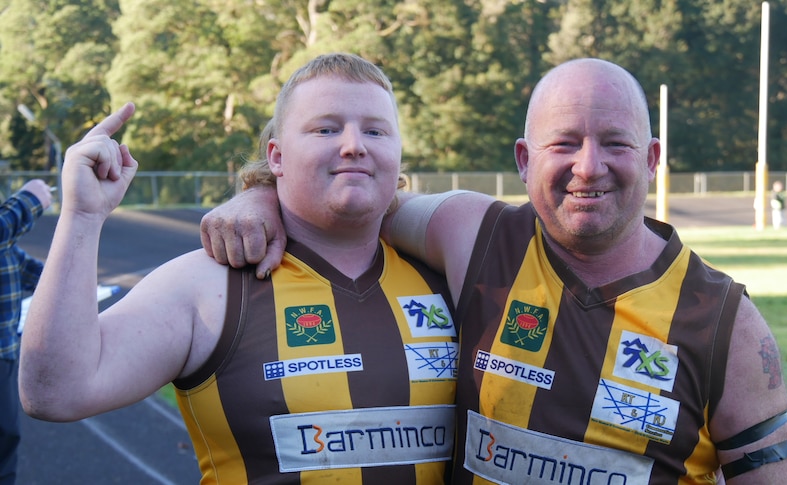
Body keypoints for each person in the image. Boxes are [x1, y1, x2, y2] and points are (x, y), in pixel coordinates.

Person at [201, 58, 787, 483]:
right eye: (563, 143)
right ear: (523, 159)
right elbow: (353, 197)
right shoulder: (475, 235)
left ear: (651, 160)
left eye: (615, 144)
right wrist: (257, 194)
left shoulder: (727, 322)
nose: (588, 167)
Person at [18, 53, 459, 484]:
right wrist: (82, 216)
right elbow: (56, 392)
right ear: (277, 157)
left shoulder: (451, 273)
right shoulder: (206, 285)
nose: (353, 145)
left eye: (376, 131)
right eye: (326, 128)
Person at [0, 178, 53, 485]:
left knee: (5, 441)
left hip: (4, 357)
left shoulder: (6, 249)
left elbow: (44, 276)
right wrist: (28, 200)